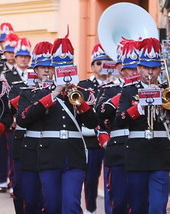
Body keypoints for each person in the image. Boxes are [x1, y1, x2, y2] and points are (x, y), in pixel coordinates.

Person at [18, 34, 97, 214]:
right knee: (52, 206)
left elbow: (93, 123)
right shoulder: (39, 94)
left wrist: (79, 101)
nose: (63, 71)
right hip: (48, 156)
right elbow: (23, 119)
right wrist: (55, 94)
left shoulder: (81, 93)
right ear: (53, 70)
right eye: (58, 68)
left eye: (67, 68)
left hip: (74, 156)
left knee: (71, 205)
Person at [115, 38, 170, 213]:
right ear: (139, 68)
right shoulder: (129, 90)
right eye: (146, 68)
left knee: (157, 206)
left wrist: (167, 101)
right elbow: (119, 121)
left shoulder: (166, 89)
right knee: (138, 206)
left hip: (159, 155)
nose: (150, 72)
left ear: (159, 69)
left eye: (154, 68)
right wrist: (139, 107)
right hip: (136, 155)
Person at [96, 38, 140, 214]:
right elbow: (100, 114)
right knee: (118, 200)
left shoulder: (150, 89)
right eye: (128, 68)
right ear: (120, 70)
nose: (133, 72)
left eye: (137, 68)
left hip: (143, 150)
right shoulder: (109, 89)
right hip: (118, 149)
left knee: (140, 201)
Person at [16, 41, 55, 214]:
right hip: (31, 152)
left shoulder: (64, 92)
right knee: (30, 200)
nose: (46, 70)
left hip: (54, 151)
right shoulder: (26, 93)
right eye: (42, 67)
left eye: (50, 67)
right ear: (36, 70)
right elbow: (22, 119)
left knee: (51, 201)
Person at [78, 43, 111, 214]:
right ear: (92, 66)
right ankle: (91, 209)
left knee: (112, 177)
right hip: (91, 139)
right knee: (90, 178)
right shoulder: (83, 85)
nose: (103, 66)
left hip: (112, 137)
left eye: (107, 62)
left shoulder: (118, 85)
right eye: (99, 63)